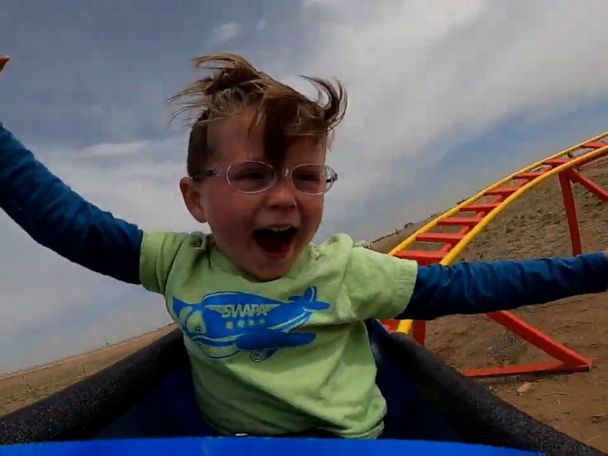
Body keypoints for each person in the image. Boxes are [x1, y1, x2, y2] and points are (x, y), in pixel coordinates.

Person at [0, 53, 606, 439]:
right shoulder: (178, 262)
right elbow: (68, 224)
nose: (286, 197)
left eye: (308, 177)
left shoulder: (345, 271)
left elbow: (473, 286)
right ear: (195, 200)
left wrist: (594, 270)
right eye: (254, 175)